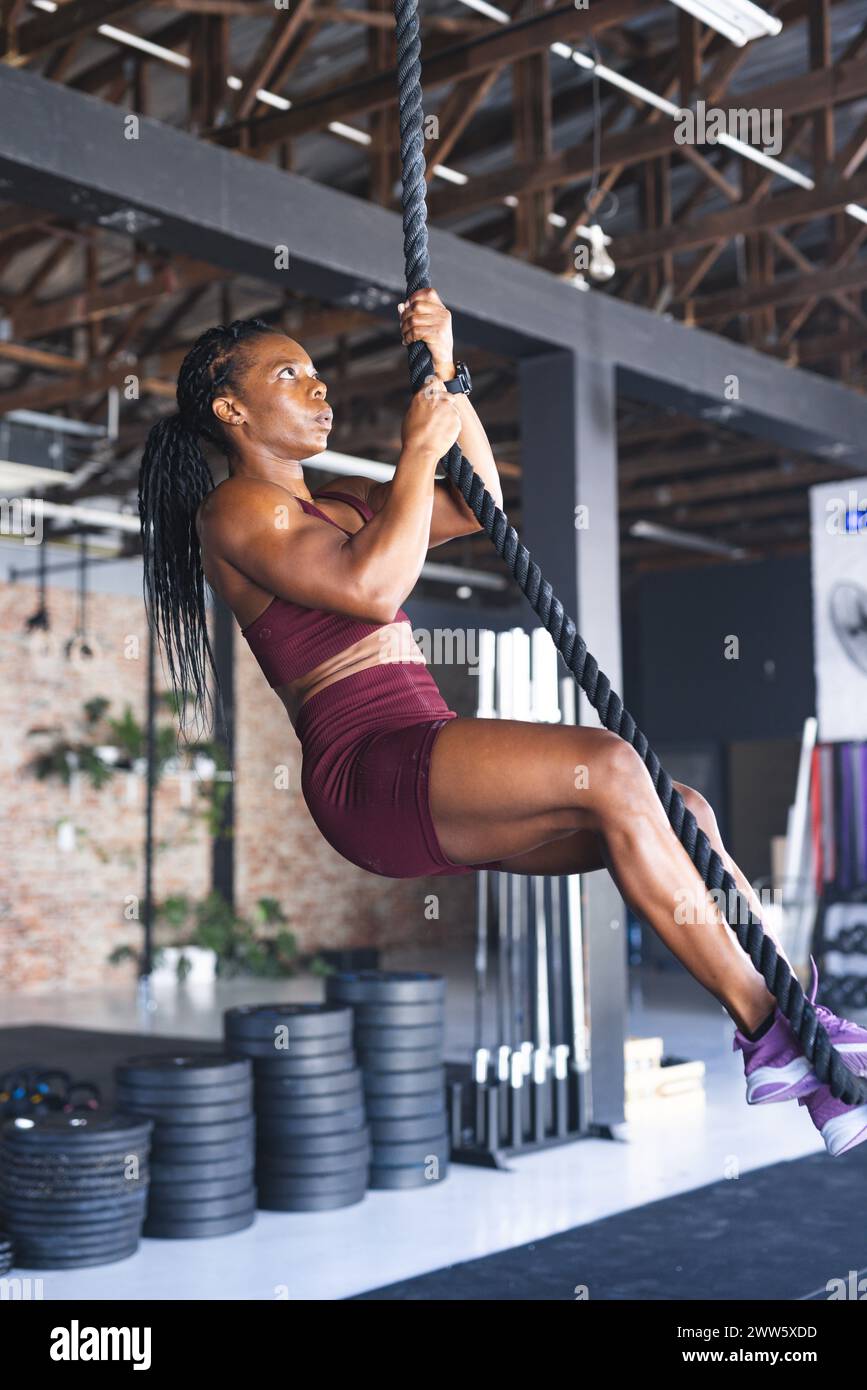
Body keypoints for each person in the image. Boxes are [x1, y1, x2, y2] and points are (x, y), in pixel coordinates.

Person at [138, 288, 867, 1155]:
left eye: (319, 375)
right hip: (370, 770)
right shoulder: (238, 510)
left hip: (424, 756)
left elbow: (478, 498)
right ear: (232, 409)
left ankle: (799, 1044)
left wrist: (447, 368)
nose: (320, 390)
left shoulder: (338, 500)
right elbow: (373, 586)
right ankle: (772, 1031)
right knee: (608, 764)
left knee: (686, 817)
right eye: (290, 374)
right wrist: (414, 449)